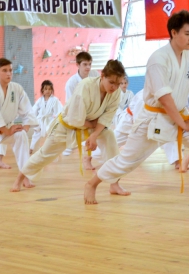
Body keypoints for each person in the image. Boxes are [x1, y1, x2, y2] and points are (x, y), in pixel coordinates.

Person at [83, 10, 189, 208]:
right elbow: (165, 98)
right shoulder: (158, 59)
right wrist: (183, 123)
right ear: (174, 33)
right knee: (127, 160)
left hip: (180, 114)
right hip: (153, 118)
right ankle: (92, 183)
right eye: (187, 33)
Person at [12, 60, 125, 193]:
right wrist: (93, 124)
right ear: (102, 76)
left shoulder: (116, 93)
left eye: (118, 84)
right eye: (111, 82)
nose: (114, 87)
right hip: (65, 127)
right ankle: (19, 178)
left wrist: (94, 134)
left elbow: (106, 117)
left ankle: (114, 183)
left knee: (109, 135)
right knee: (44, 155)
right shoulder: (86, 86)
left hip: (88, 127)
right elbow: (75, 118)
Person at [63, 51, 100, 162]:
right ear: (77, 65)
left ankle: (90, 155)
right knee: (76, 127)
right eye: (85, 64)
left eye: (90, 64)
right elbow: (71, 105)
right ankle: (70, 144)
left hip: (94, 110)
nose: (88, 67)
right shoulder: (71, 83)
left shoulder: (95, 75)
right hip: (78, 112)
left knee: (101, 132)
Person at [30, 80, 63, 154]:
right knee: (36, 133)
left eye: (49, 89)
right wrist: (33, 119)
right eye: (46, 89)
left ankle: (53, 148)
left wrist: (57, 118)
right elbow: (34, 110)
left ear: (52, 90)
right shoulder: (40, 100)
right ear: (42, 90)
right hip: (40, 120)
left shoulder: (55, 100)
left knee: (52, 134)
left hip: (50, 119)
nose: (47, 91)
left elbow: (59, 110)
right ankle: (32, 147)